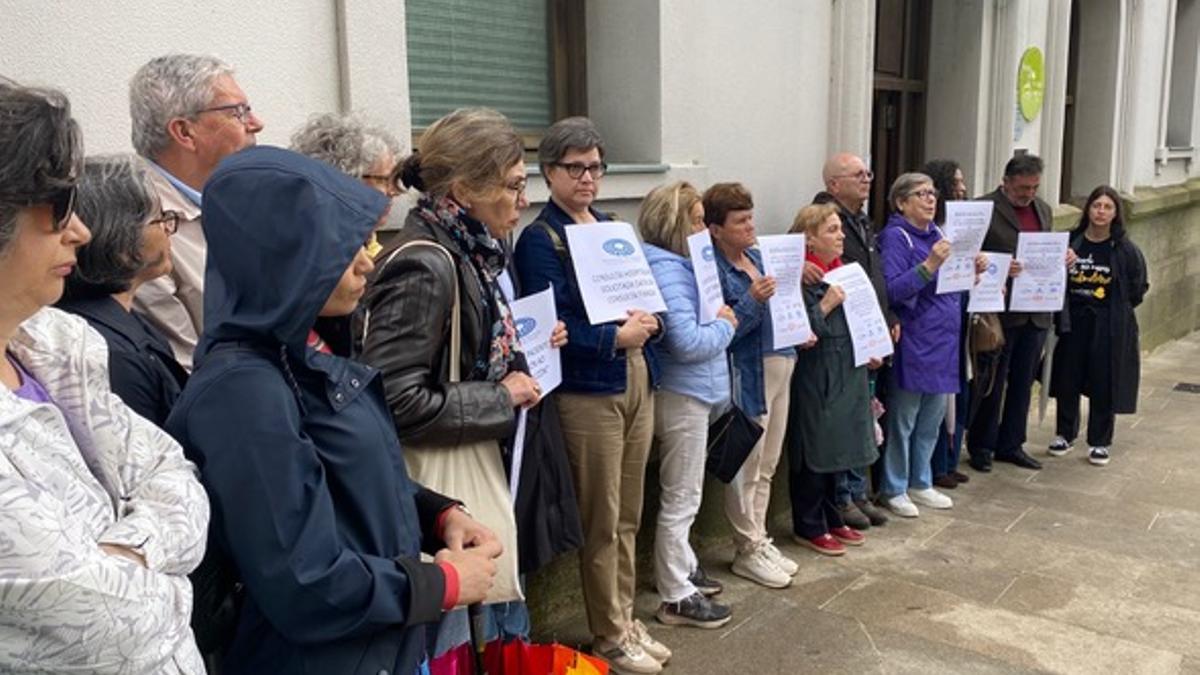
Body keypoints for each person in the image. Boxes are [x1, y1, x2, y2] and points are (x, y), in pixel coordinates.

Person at [166, 146, 501, 675]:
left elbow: (342, 476)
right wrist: (442, 583)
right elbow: (303, 580)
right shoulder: (244, 393)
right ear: (287, 255)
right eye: (343, 248)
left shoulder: (299, 347)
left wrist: (436, 514)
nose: (368, 260)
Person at [0, 80, 209, 674]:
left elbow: (174, 471)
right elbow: (110, 626)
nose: (81, 230)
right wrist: (169, 578)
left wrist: (123, 556)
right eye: (58, 204)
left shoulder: (58, 346)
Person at [357, 107, 550, 651]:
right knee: (461, 644)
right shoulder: (428, 262)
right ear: (465, 189)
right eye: (513, 186)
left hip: (467, 473)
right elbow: (392, 398)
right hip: (442, 487)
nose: (524, 201)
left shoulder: (471, 251)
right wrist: (501, 395)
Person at [514, 116, 669, 674]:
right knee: (601, 518)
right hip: (589, 390)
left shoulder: (609, 225)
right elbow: (544, 327)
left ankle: (624, 616)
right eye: (574, 167)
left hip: (636, 376)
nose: (587, 177)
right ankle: (607, 634)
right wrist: (611, 338)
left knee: (630, 510)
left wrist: (647, 319)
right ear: (549, 172)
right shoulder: (540, 239)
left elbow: (636, 293)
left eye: (595, 166)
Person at [638, 181, 736, 629]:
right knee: (682, 496)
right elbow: (686, 341)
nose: (704, 228)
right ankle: (676, 593)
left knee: (684, 494)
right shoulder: (670, 270)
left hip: (690, 391)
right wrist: (726, 326)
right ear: (676, 223)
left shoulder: (679, 265)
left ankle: (683, 569)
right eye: (696, 220)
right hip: (684, 394)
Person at [130, 53, 264, 370]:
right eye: (238, 112)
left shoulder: (234, 198)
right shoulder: (140, 220)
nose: (257, 123)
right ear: (185, 132)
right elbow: (191, 367)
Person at [705, 182, 798, 589]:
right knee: (748, 462)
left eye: (750, 218)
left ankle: (758, 536)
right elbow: (728, 330)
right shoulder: (715, 272)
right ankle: (745, 545)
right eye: (739, 221)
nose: (750, 227)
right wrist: (754, 300)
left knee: (770, 460)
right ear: (715, 229)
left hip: (782, 362)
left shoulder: (758, 257)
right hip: (749, 372)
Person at [878, 173, 984, 518]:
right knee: (904, 418)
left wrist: (974, 271)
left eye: (932, 194)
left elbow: (950, 282)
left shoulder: (938, 233)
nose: (930, 199)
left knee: (931, 419)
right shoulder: (896, 238)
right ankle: (894, 486)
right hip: (915, 338)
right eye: (920, 194)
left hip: (944, 339)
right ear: (901, 202)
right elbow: (892, 290)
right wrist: (929, 265)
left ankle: (920, 481)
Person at [57, 154, 187, 427]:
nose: (168, 229)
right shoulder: (113, 357)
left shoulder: (124, 320)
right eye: (159, 219)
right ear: (121, 243)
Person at [968, 154, 1074, 472]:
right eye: (1023, 187)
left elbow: (1046, 250)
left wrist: (1063, 258)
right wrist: (1000, 265)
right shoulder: (984, 208)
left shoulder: (1042, 209)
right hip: (1000, 311)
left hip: (1036, 308)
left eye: (1034, 187)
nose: (1029, 193)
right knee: (993, 382)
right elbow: (970, 255)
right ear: (1007, 181)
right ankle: (982, 445)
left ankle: (1011, 443)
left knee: (1024, 381)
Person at [786, 203, 878, 555]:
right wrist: (824, 304)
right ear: (809, 239)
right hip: (818, 374)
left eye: (840, 229)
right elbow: (799, 327)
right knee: (815, 448)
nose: (841, 237)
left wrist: (872, 346)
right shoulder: (799, 279)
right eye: (832, 230)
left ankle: (831, 513)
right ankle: (808, 523)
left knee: (839, 446)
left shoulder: (843, 272)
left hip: (847, 370)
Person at [808, 152, 894, 530]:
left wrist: (885, 319)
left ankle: (858, 493)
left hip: (863, 333)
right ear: (833, 184)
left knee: (863, 418)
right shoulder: (822, 218)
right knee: (841, 425)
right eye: (857, 174)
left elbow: (873, 277)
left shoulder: (861, 220)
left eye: (868, 173)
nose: (867, 179)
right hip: (834, 350)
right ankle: (844, 498)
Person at [1049, 185, 1148, 466]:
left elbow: (1137, 288)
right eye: (1096, 205)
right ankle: (1064, 433)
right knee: (1068, 376)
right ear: (1088, 209)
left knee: (1105, 380)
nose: (1101, 212)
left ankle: (1100, 440)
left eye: (1107, 207)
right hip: (1074, 320)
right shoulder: (1072, 242)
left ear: (1116, 213)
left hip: (1108, 324)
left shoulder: (1125, 249)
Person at [921, 158, 972, 489]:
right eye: (956, 184)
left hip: (959, 307)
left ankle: (949, 458)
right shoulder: (923, 233)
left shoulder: (957, 224)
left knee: (957, 388)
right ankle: (935, 466)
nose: (963, 189)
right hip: (932, 320)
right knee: (936, 398)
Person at [289, 111, 401, 258]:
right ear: (346, 179)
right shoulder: (318, 255)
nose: (394, 191)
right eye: (385, 180)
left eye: (395, 179)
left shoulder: (371, 246)